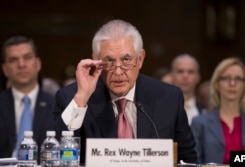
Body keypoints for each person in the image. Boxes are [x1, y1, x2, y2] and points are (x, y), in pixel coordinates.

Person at [53, 19, 197, 164]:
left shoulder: (169, 98)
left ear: (140, 59)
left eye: (126, 59)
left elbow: (187, 159)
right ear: (96, 60)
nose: (118, 71)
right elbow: (55, 156)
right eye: (109, 61)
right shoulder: (72, 98)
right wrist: (81, 99)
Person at [0, 35, 55, 162]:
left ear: (38, 64)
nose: (21, 64)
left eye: (27, 57)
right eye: (13, 60)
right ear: (5, 69)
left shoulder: (56, 105)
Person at [191, 57, 245, 164]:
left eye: (238, 79)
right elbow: (195, 162)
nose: (232, 83)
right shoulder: (199, 123)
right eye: (226, 78)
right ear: (217, 84)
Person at [171, 54, 206, 125]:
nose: (185, 76)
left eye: (190, 72)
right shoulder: (159, 110)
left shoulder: (208, 111)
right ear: (172, 76)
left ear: (198, 77)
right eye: (180, 71)